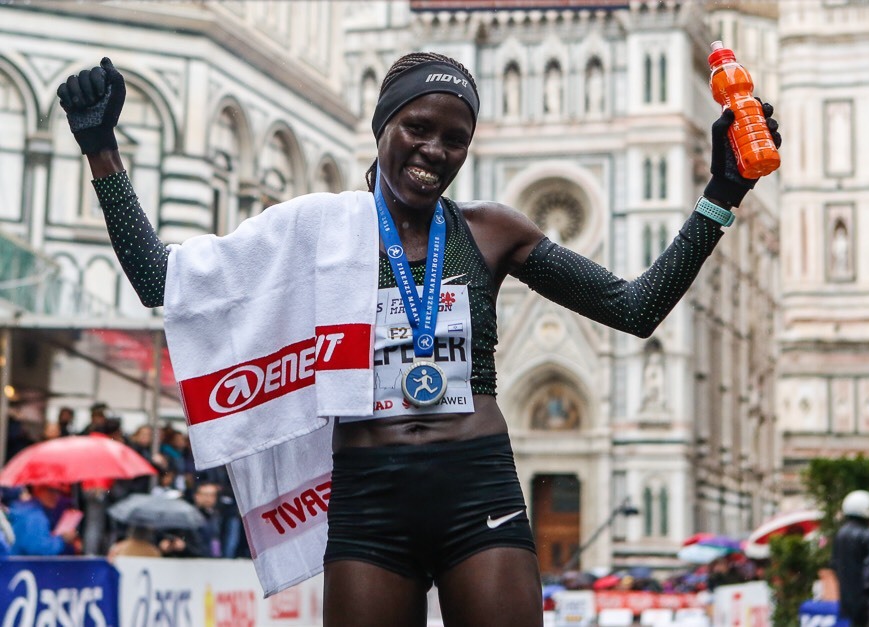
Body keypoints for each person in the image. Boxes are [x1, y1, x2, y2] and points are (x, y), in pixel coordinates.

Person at [58, 52, 780, 627]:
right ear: (383, 124)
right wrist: (101, 150)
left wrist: (722, 192)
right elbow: (159, 279)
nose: (434, 150)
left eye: (455, 139)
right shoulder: (315, 229)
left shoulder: (491, 230)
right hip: (369, 496)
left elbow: (634, 306)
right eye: (418, 127)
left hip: (477, 487)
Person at [831, 490, 869, 627]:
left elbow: (834, 564)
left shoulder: (841, 534)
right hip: (867, 599)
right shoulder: (866, 534)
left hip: (847, 596)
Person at [7, 484, 80, 556]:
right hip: (24, 563)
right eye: (51, 490)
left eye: (58, 492)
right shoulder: (34, 515)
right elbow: (38, 550)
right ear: (37, 490)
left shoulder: (35, 511)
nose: (56, 496)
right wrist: (62, 539)